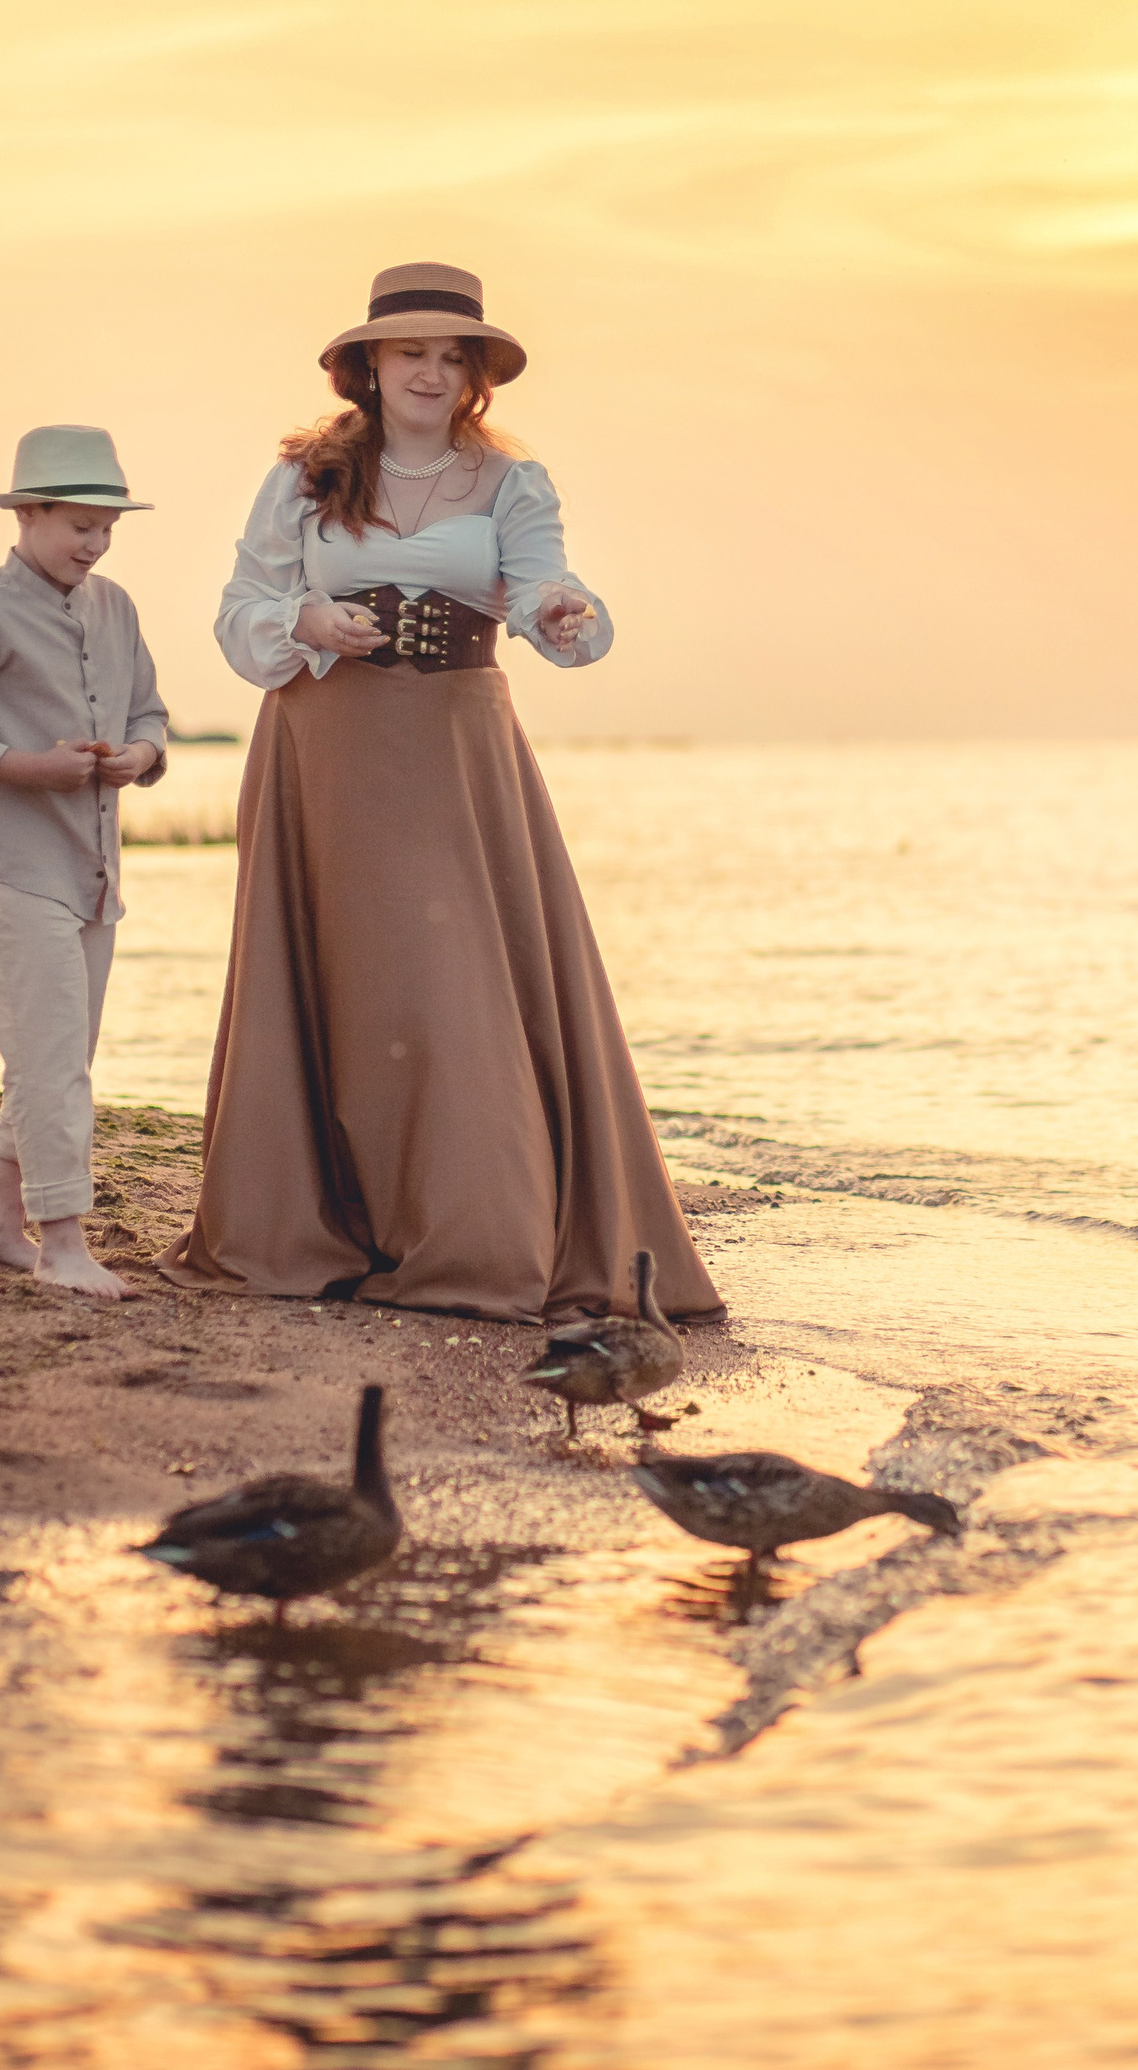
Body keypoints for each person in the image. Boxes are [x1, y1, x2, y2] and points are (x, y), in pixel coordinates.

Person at [159, 262, 723, 1325]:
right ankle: (328, 1226)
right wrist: (305, 625)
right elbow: (241, 609)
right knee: (345, 975)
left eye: (450, 353)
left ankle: (475, 1240)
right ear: (369, 364)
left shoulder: (513, 482)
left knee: (453, 981)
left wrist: (562, 617)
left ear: (474, 374)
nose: (430, 369)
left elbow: (551, 582)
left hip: (459, 745)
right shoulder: (301, 478)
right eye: (410, 349)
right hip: (323, 743)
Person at [0, 426, 168, 1299]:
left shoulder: (116, 607)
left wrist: (140, 758)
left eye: (107, 529)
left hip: (94, 872)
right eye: (78, 526)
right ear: (28, 514)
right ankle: (62, 1244)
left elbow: (152, 716)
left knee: (58, 1054)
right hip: (9, 867)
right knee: (52, 1062)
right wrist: (24, 767)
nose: (94, 544)